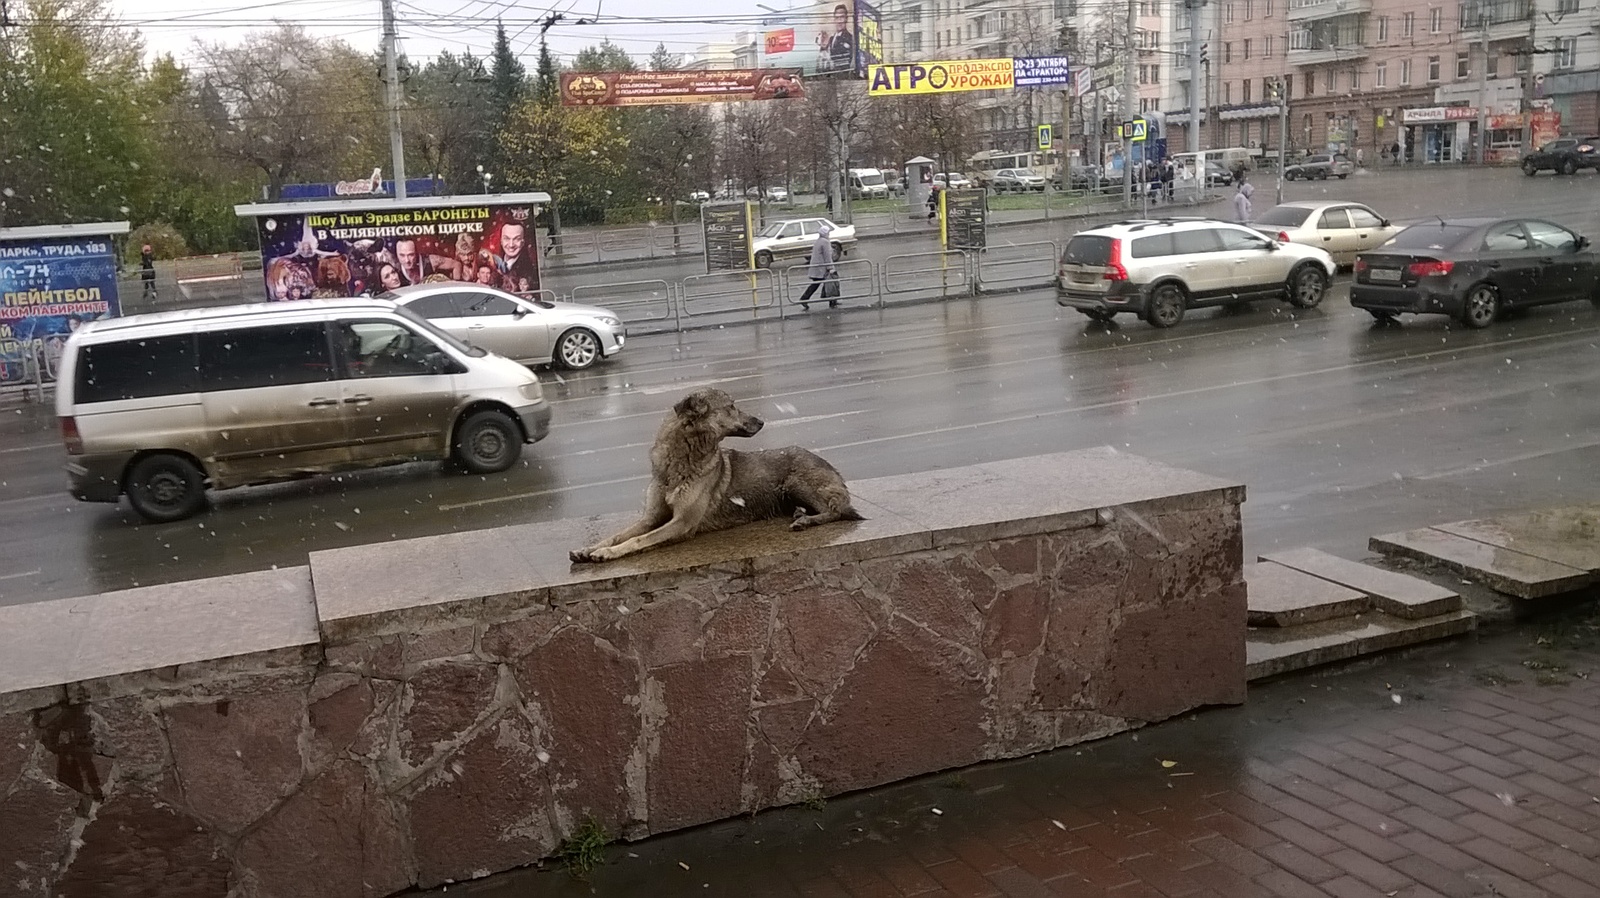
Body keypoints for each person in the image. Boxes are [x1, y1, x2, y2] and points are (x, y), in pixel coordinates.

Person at [797, 224, 837, 310]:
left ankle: (805, 298)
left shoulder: (819, 241)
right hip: (822, 268)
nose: (829, 234)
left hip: (817, 267)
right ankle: (831, 301)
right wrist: (830, 267)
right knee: (830, 283)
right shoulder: (825, 242)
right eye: (828, 233)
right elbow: (827, 256)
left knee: (818, 284)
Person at [819, 3, 855, 72]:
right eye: (837, 18)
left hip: (843, 78)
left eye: (841, 17)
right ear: (834, 20)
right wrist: (823, 47)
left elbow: (843, 60)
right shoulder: (831, 39)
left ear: (846, 19)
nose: (839, 21)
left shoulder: (849, 38)